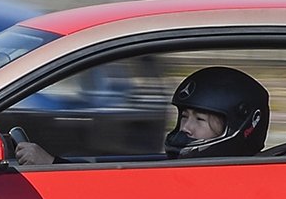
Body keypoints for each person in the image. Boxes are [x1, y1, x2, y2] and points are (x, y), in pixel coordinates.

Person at [14, 65, 268, 166]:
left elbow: (119, 193)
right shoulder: (192, 169)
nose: (186, 128)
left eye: (200, 120)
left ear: (239, 128)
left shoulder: (223, 180)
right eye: (184, 116)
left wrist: (53, 166)